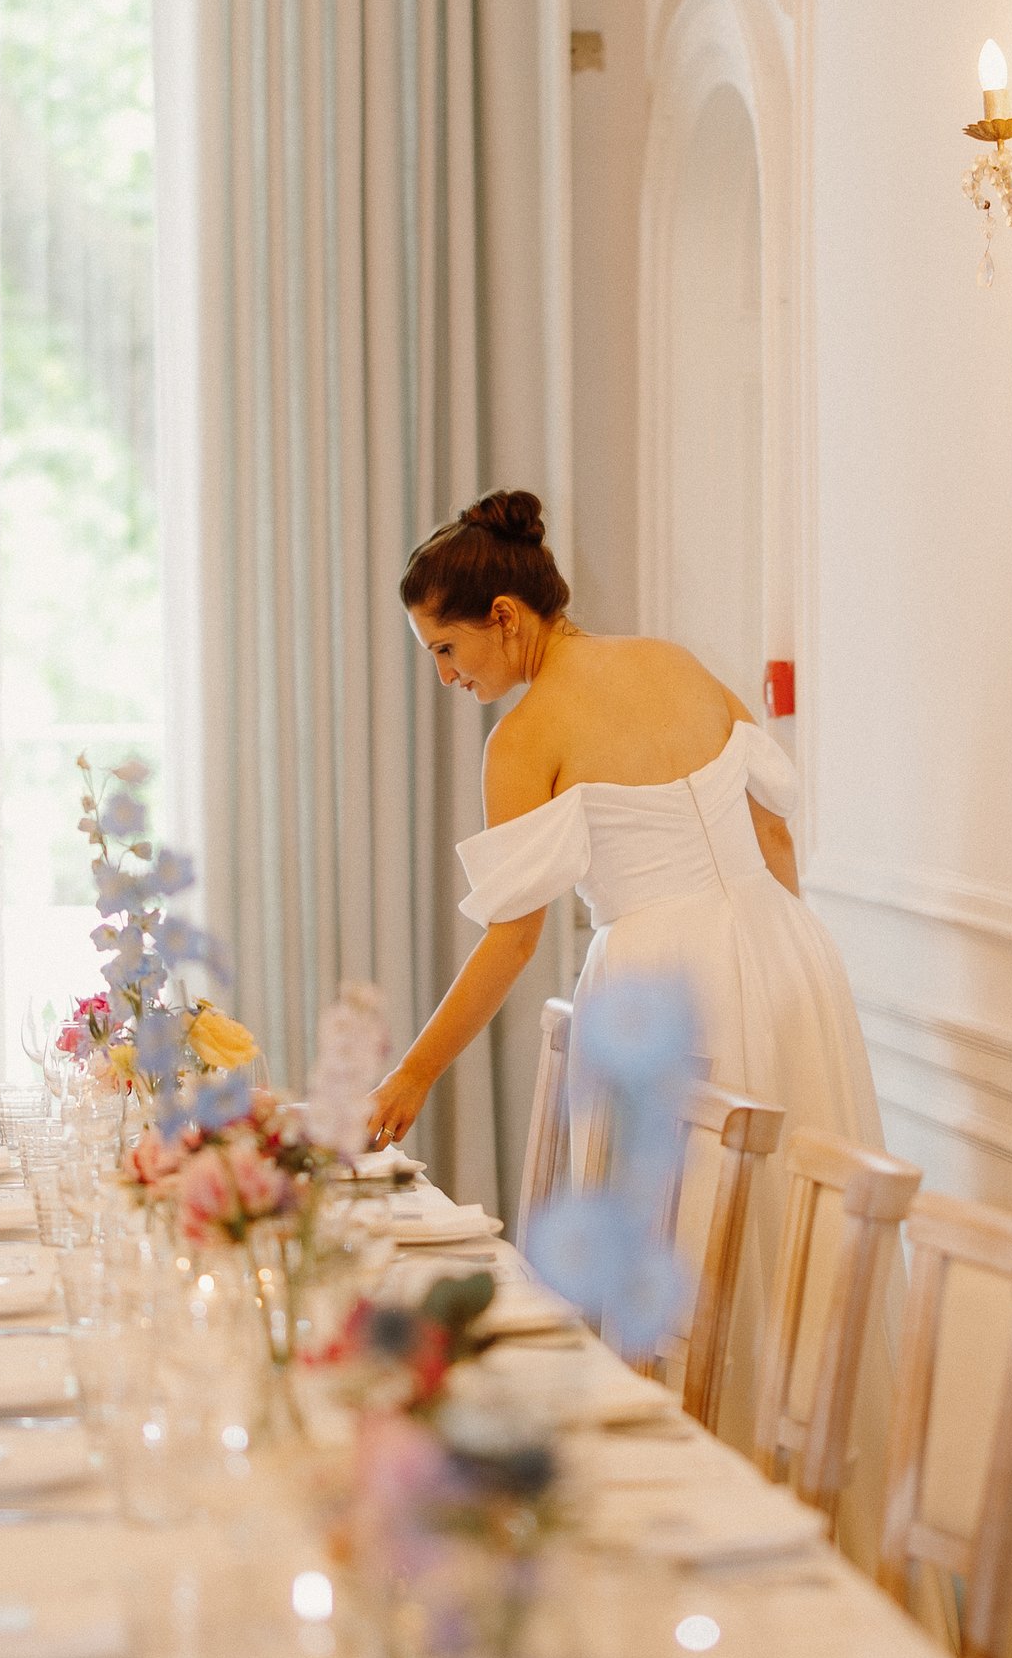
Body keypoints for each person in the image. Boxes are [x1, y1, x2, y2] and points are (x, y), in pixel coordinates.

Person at [366, 490, 884, 1180]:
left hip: (662, 987)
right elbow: (774, 834)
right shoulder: (675, 662)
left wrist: (414, 1073)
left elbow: (515, 938)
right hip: (792, 958)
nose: (445, 674)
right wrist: (778, 958)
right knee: (794, 1203)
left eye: (446, 647)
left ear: (504, 616)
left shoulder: (521, 741)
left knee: (683, 1225)